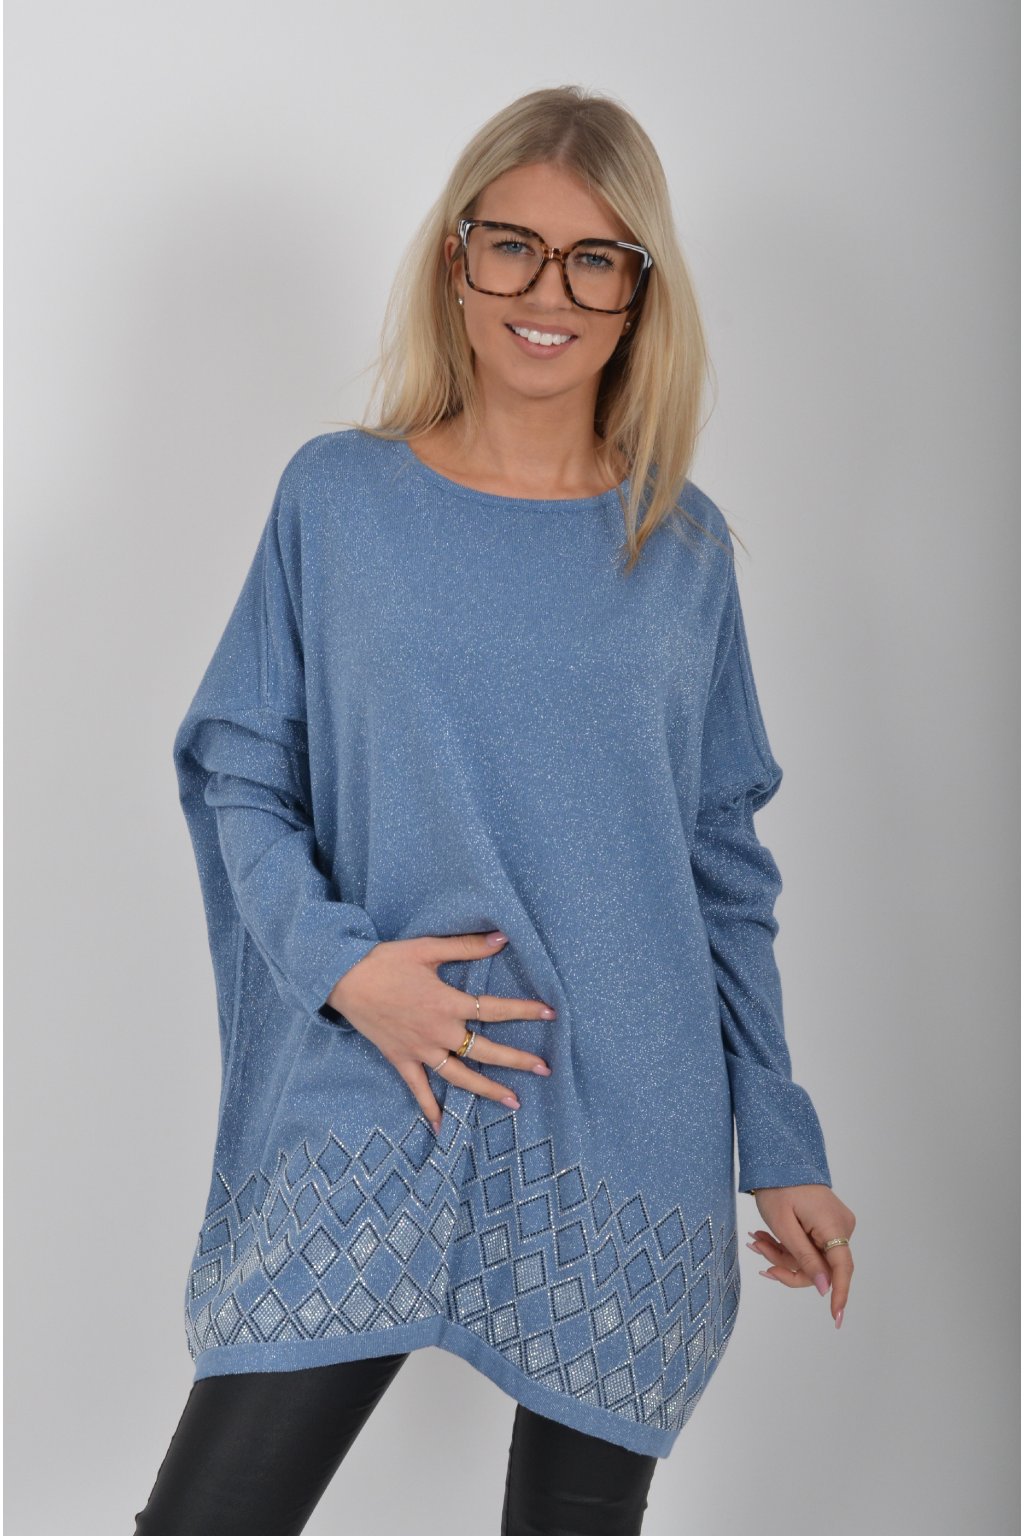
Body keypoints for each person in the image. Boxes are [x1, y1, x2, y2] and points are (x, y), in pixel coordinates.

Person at [134, 84, 857, 1536]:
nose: (548, 293)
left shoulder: (680, 548)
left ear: (640, 293)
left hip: (626, 1115)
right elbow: (239, 772)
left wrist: (779, 1137)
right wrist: (346, 973)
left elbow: (721, 863)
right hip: (377, 1069)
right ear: (455, 260)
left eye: (595, 260)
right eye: (512, 246)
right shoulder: (339, 500)